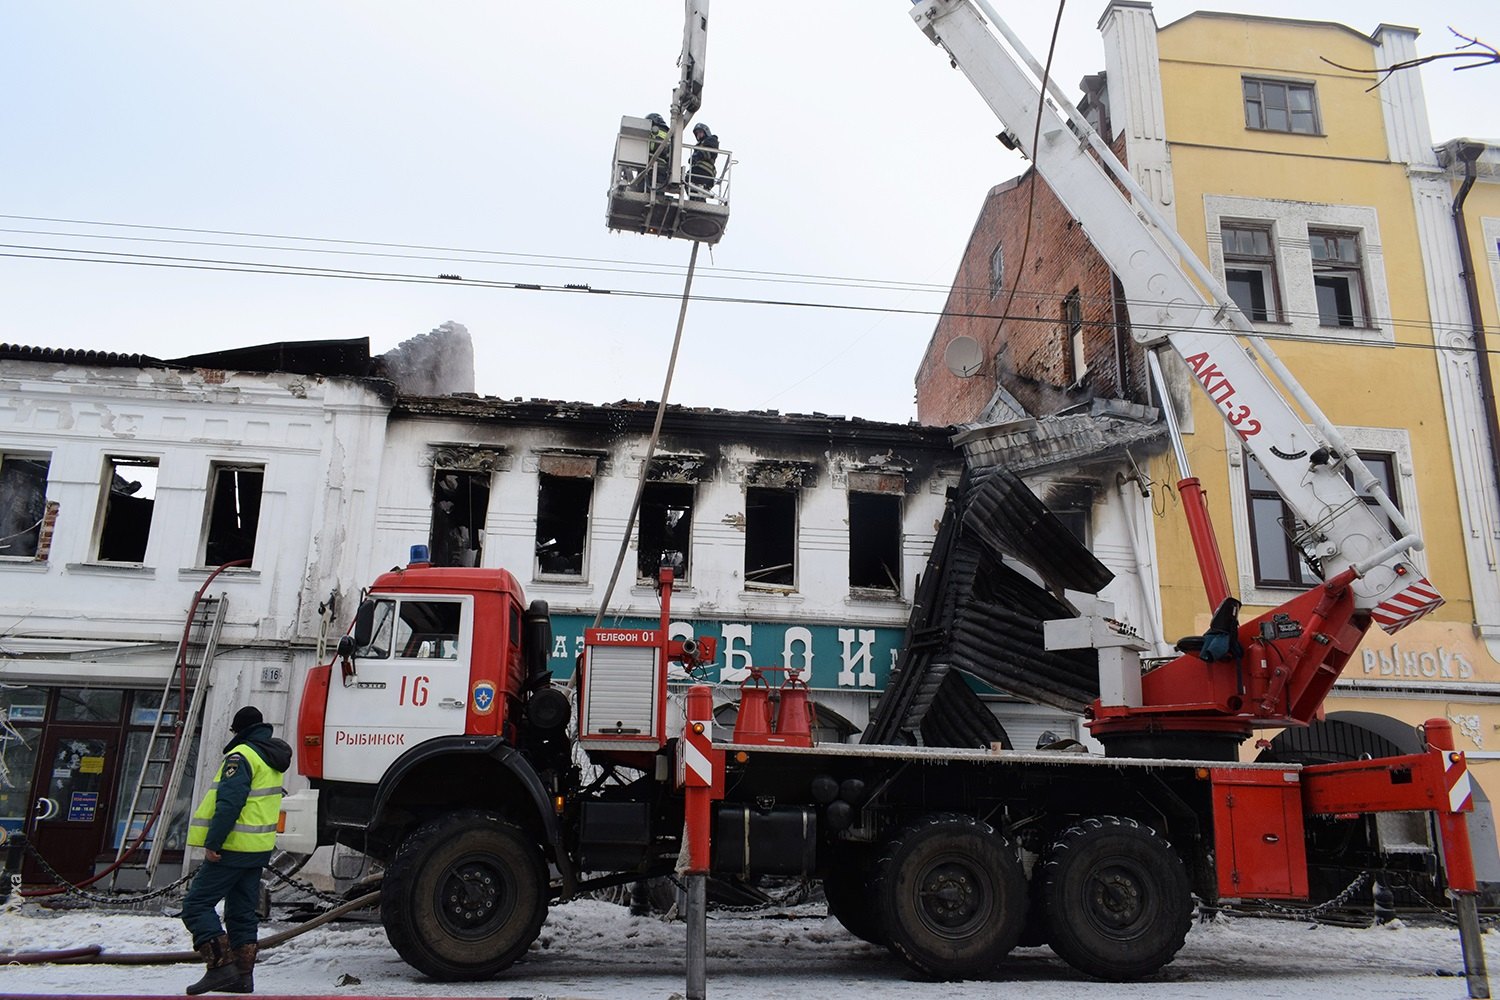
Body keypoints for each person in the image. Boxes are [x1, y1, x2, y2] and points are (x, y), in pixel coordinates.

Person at [181, 706, 292, 995]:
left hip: (233, 847)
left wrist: (213, 842)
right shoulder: (269, 757)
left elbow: (229, 803)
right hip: (257, 849)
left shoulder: (241, 756)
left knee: (196, 905)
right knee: (242, 913)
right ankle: (243, 976)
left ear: (238, 730)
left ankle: (220, 968)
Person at [688, 121, 719, 201]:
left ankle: (696, 199)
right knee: (688, 181)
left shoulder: (711, 140)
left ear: (706, 132)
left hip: (705, 171)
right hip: (700, 171)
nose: (698, 135)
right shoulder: (699, 145)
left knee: (688, 178)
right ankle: (695, 199)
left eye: (700, 132)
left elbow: (708, 152)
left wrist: (697, 156)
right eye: (697, 133)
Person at [644, 112, 670, 190]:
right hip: (663, 166)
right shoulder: (667, 132)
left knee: (645, 186)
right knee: (658, 191)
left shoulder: (656, 130)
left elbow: (653, 147)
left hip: (654, 163)